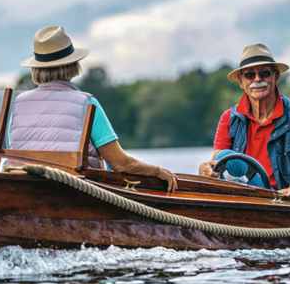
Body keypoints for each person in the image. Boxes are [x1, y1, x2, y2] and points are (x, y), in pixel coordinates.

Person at [10, 25, 178, 193]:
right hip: (76, 193)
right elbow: (121, 163)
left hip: (23, 189)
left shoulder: (18, 103)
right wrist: (157, 171)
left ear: (35, 68)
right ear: (73, 65)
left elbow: (10, 152)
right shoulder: (87, 103)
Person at [198, 43, 290, 197]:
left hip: (284, 200)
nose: (257, 79)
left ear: (275, 77)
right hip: (247, 197)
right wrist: (207, 170)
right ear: (241, 82)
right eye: (249, 75)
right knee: (222, 157)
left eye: (264, 73)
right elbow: (217, 161)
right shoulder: (229, 118)